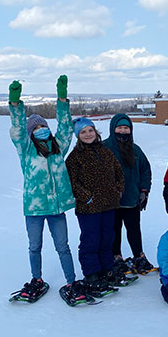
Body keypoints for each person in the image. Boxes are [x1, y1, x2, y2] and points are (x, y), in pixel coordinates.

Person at [8, 76, 85, 303]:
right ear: (32, 133)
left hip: (57, 207)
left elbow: (65, 126)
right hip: (34, 209)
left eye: (43, 126)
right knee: (35, 247)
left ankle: (71, 281)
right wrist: (15, 105)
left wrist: (62, 99)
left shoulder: (58, 147)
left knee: (63, 246)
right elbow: (19, 129)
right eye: (37, 128)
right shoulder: (26, 149)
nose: (41, 129)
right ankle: (37, 279)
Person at [65, 117, 127, 296]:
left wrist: (118, 190)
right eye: (83, 132)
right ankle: (92, 274)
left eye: (90, 130)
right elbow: (72, 182)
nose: (88, 134)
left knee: (107, 237)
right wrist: (87, 197)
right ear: (78, 135)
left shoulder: (106, 151)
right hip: (89, 208)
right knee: (91, 240)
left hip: (109, 204)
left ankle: (106, 269)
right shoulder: (75, 157)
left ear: (95, 131)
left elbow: (118, 173)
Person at [103, 114, 154, 275]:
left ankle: (138, 256)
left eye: (126, 128)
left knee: (134, 229)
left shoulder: (135, 149)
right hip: (112, 201)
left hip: (132, 199)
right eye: (120, 128)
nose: (123, 131)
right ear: (113, 128)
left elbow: (146, 170)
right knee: (114, 229)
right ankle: (115, 256)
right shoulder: (104, 148)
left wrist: (144, 191)